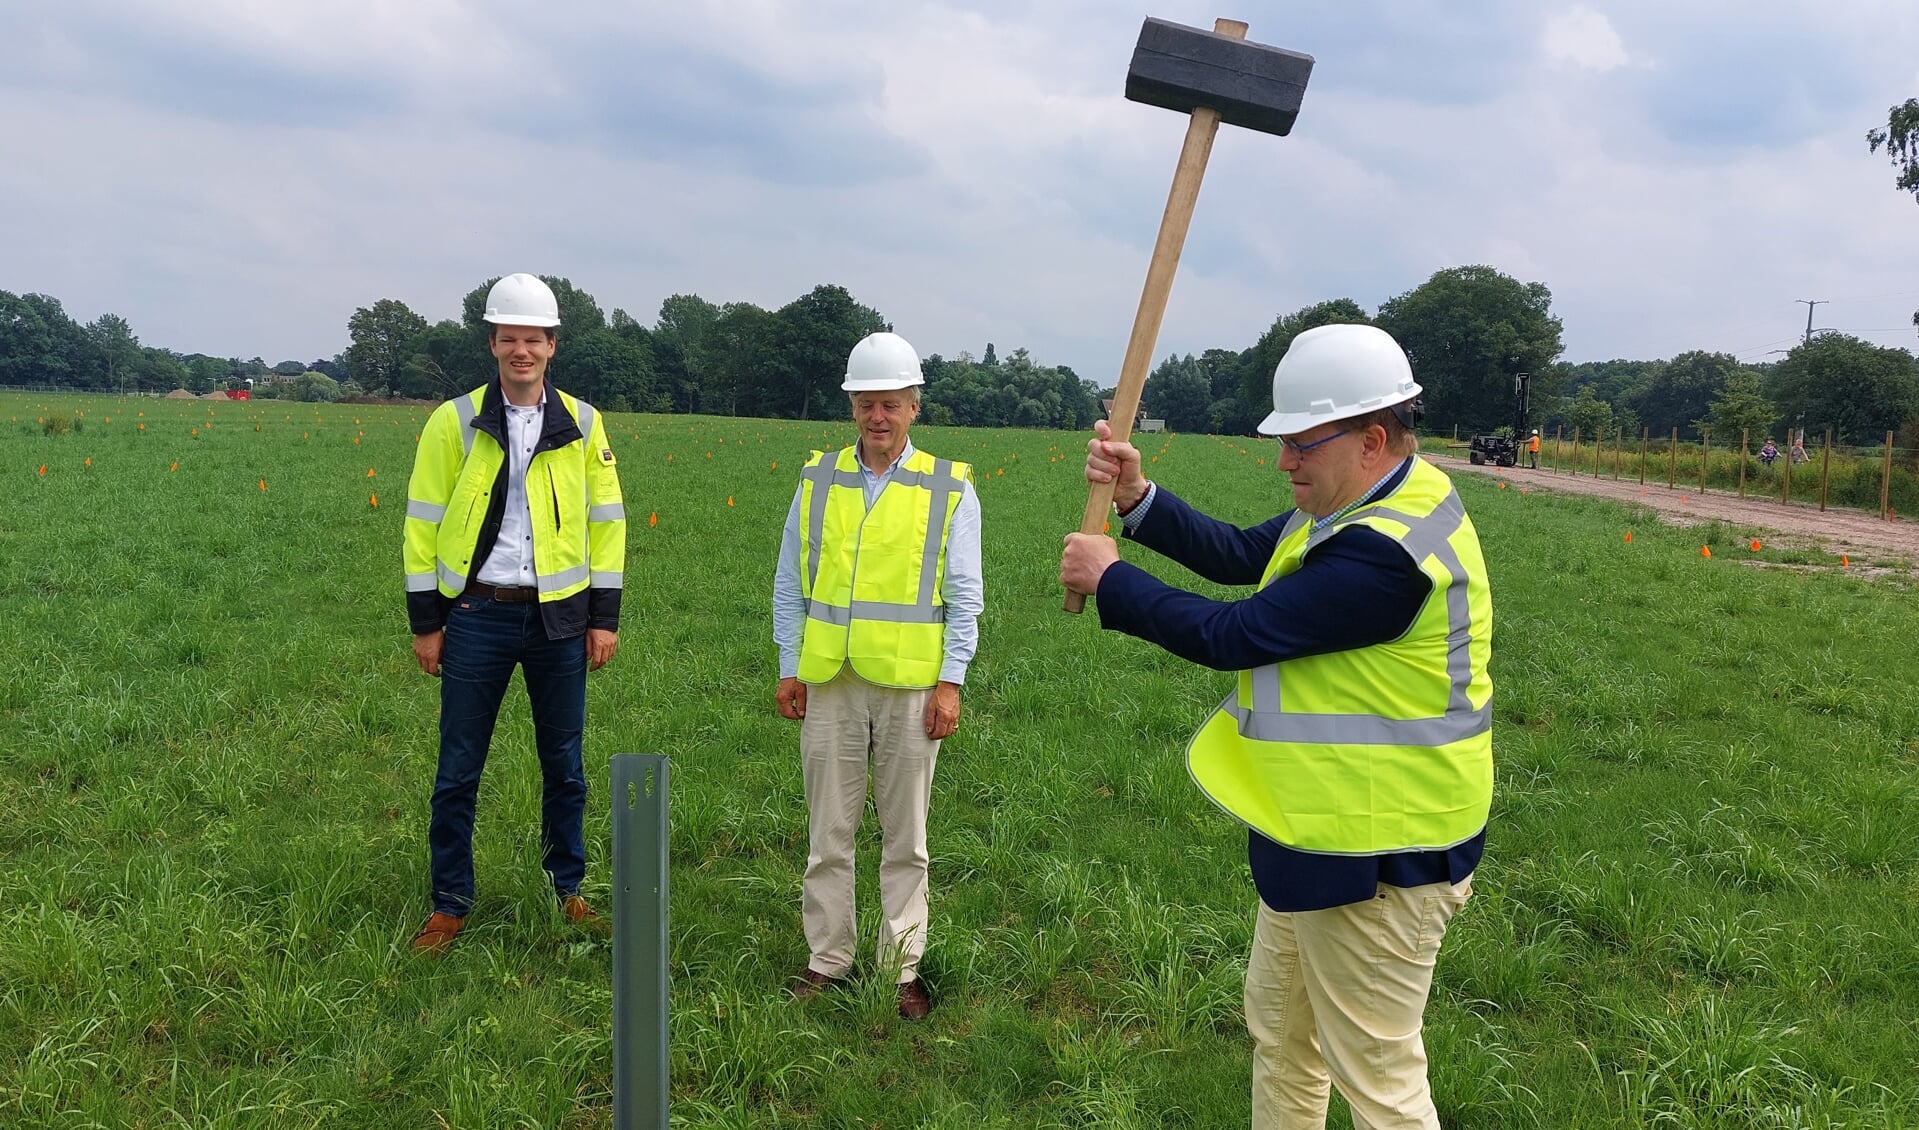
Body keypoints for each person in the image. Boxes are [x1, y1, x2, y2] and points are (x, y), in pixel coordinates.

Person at [1060, 323, 1490, 1129]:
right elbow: (1235, 553)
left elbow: (1237, 634)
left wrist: (1113, 580)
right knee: (1284, 1040)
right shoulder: (1354, 504)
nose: (1283, 462)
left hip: (1385, 854)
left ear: (1370, 439)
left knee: (1379, 1081)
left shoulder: (1387, 552)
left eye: (1300, 444)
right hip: (1315, 836)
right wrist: (1135, 500)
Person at [402, 273, 626, 954]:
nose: (520, 350)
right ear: (493, 343)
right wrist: (427, 623)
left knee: (564, 764)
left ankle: (567, 888)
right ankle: (449, 904)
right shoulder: (454, 420)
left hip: (560, 619)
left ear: (551, 346)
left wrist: (603, 617)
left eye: (532, 339)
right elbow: (421, 523)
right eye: (508, 338)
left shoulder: (583, 424)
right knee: (458, 768)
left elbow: (607, 523)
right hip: (477, 615)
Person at [772, 331, 983, 1020]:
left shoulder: (949, 488)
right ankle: (827, 960)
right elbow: (789, 585)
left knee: (906, 839)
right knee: (826, 832)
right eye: (866, 404)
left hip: (911, 689)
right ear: (852, 408)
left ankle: (901, 969)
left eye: (890, 403)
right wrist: (789, 666)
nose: (877, 417)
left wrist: (950, 682)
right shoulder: (818, 479)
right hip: (829, 679)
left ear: (913, 407)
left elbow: (964, 597)